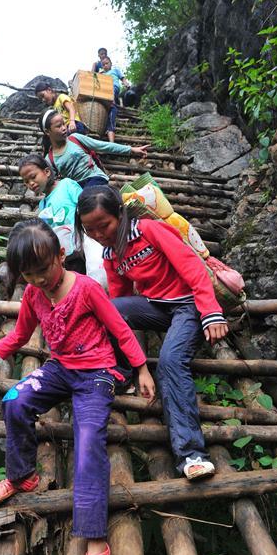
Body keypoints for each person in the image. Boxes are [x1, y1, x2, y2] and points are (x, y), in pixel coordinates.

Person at [0, 220, 156, 555]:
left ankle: (96, 544)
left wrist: (141, 368)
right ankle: (22, 475)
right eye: (29, 274)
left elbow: (121, 329)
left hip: (96, 374)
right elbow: (18, 336)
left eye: (43, 270)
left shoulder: (87, 289)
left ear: (61, 256)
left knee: (89, 442)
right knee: (15, 401)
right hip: (60, 369)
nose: (39, 280)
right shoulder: (33, 293)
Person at [76, 185, 229, 481]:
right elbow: (118, 301)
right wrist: (132, 362)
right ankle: (121, 375)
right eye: (89, 229)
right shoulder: (111, 253)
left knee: (171, 361)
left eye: (103, 225)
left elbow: (192, 268)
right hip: (157, 307)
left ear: (120, 214)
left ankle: (191, 454)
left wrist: (211, 311)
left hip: (188, 306)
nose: (98, 234)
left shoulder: (150, 230)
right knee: (108, 308)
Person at [18, 154, 107, 288]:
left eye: (33, 177)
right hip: (65, 255)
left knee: (89, 278)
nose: (30, 183)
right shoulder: (43, 204)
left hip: (82, 247)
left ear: (47, 172)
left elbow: (84, 205)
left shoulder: (67, 185)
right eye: (26, 181)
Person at [39, 109, 148, 188]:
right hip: (77, 189)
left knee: (88, 198)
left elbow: (103, 146)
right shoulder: (50, 159)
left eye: (64, 124)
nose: (64, 128)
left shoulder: (75, 138)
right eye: (58, 126)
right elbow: (52, 184)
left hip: (95, 178)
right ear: (47, 131)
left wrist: (131, 149)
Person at [99, 56, 131, 141]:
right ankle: (110, 105)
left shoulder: (115, 70)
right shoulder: (102, 74)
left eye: (107, 63)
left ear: (111, 63)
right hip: (105, 90)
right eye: (103, 64)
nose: (105, 65)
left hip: (114, 87)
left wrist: (126, 83)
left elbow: (122, 78)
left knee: (111, 91)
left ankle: (112, 103)